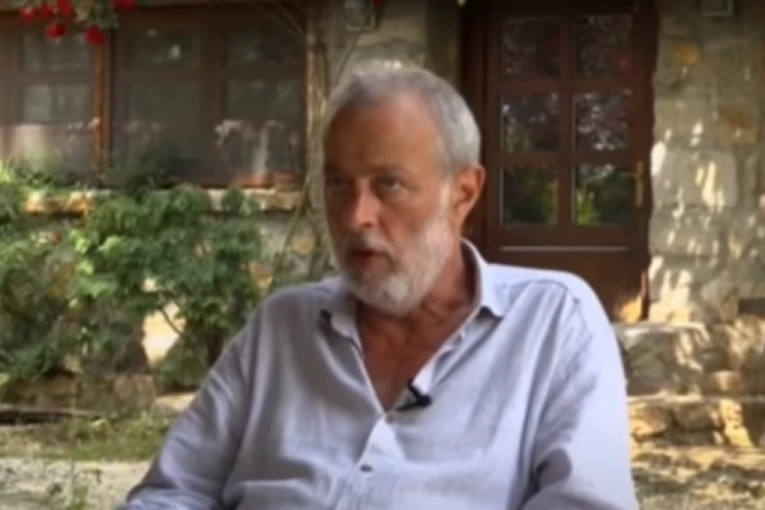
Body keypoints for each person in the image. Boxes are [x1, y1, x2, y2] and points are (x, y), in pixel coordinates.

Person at [121, 65, 638, 510]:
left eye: (388, 185)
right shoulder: (281, 329)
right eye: (338, 184)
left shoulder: (551, 323)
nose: (355, 217)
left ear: (462, 193)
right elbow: (171, 493)